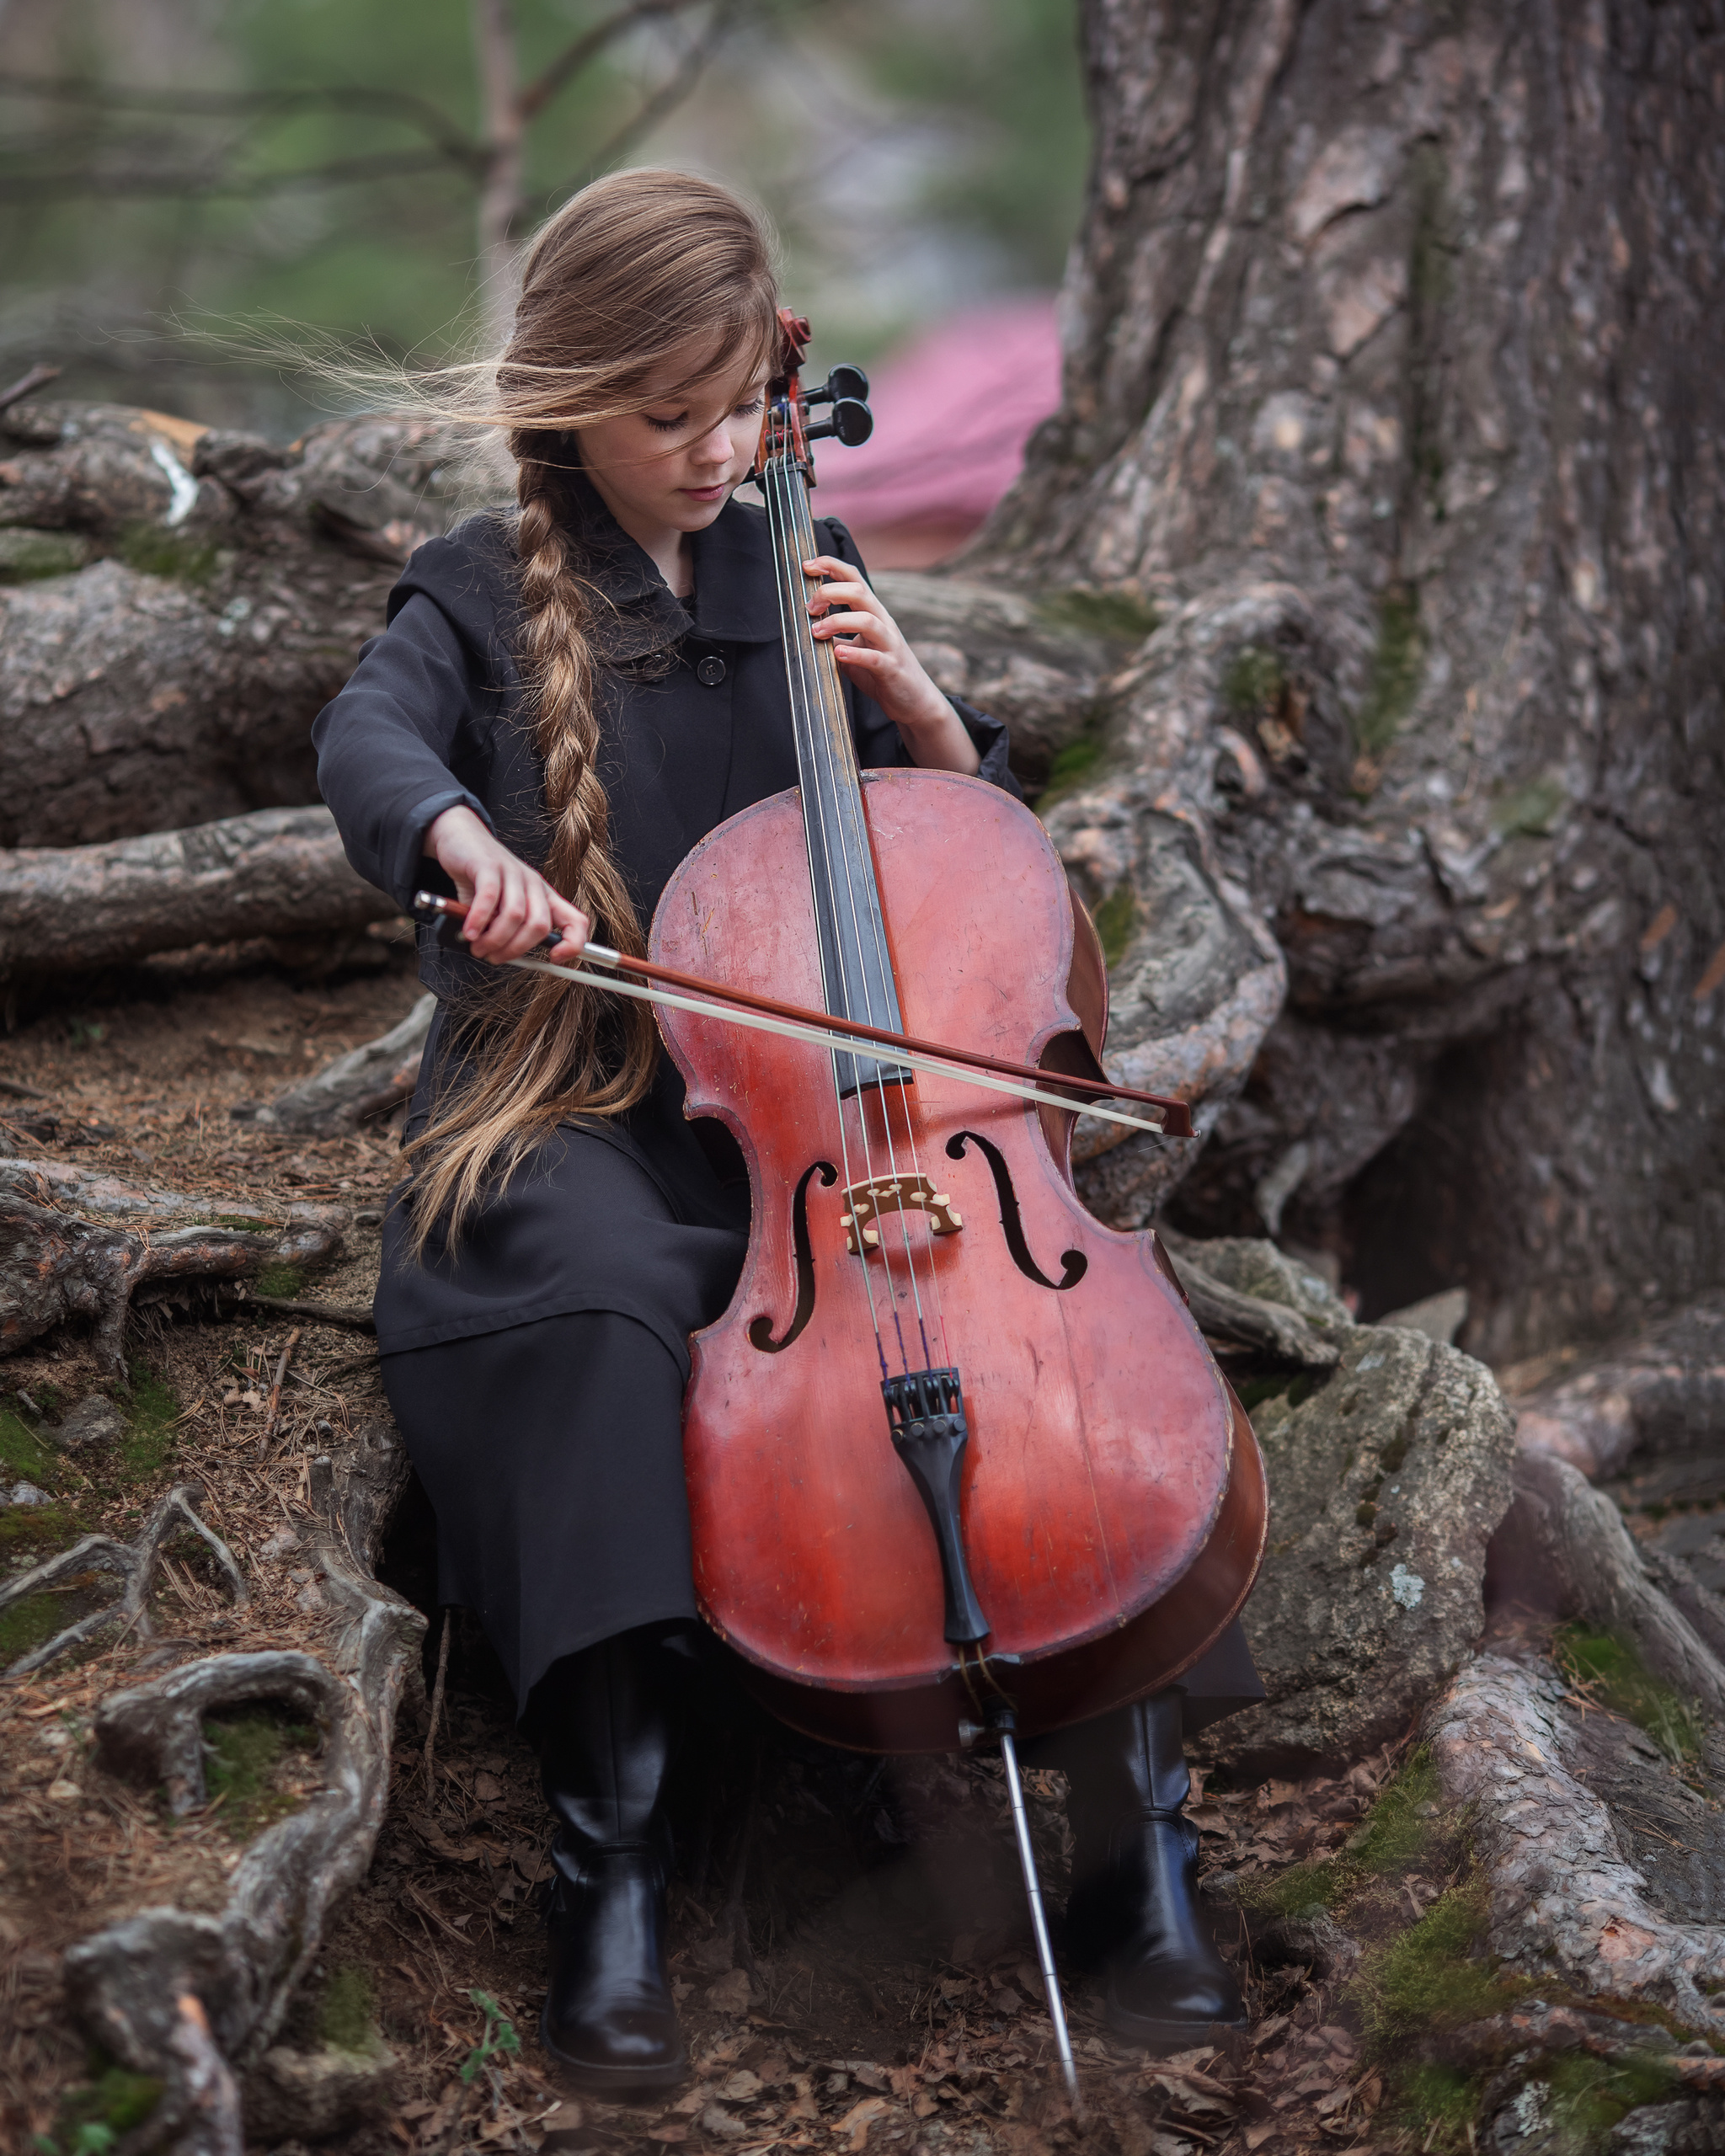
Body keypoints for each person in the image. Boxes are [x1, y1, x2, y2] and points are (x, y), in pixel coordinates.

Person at [313, 168, 1263, 2096]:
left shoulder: (788, 567)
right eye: (673, 414)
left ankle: (1138, 1851)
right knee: (576, 1298)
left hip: (833, 1135)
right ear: (572, 391)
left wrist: (923, 708)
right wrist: (461, 839)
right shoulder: (482, 584)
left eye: (745, 404)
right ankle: (614, 1877)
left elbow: (960, 879)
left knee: (1048, 1334)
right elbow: (367, 741)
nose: (722, 448)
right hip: (576, 1109)